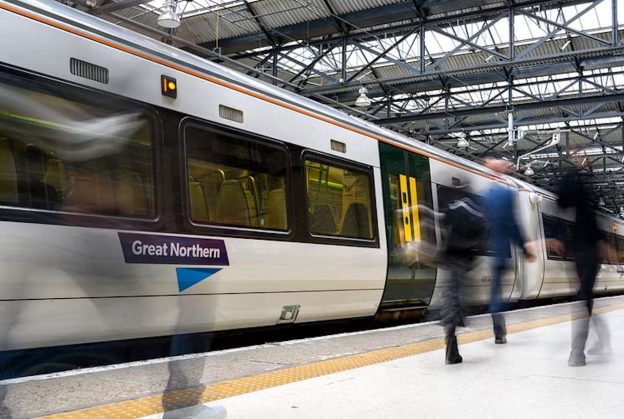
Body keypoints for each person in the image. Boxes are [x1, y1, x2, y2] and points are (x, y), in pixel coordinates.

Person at [558, 158, 610, 367]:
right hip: (580, 249)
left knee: (583, 297)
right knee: (584, 297)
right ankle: (600, 338)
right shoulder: (579, 184)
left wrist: (602, 243)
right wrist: (573, 171)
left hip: (588, 250)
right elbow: (562, 201)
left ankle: (577, 351)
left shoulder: (587, 188)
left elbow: (589, 218)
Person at [483, 158, 536, 344]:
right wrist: (525, 248)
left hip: (490, 252)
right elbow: (513, 225)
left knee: (495, 291)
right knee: (497, 291)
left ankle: (497, 322)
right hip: (503, 253)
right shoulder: (507, 195)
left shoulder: (486, 196)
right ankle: (499, 327)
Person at [440, 179, 486, 364]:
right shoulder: (474, 206)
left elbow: (444, 226)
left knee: (450, 294)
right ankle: (452, 336)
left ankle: (450, 336)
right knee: (458, 296)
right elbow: (482, 231)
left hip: (449, 255)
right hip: (464, 257)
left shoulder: (451, 203)